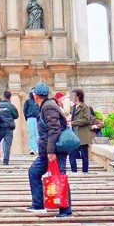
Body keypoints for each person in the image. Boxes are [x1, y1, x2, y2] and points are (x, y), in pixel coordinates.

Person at [26, 83, 72, 217]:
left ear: (35, 96)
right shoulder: (47, 105)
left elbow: (54, 129)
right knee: (34, 172)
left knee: (60, 176)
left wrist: (51, 151)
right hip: (47, 150)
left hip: (54, 151)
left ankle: (65, 210)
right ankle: (38, 204)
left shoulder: (48, 106)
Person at [68, 89, 94, 173]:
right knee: (72, 154)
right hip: (73, 133)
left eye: (73, 95)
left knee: (84, 155)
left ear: (78, 96)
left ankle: (85, 171)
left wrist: (73, 123)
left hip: (82, 134)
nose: (71, 97)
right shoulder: (72, 108)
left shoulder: (85, 107)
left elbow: (86, 120)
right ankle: (73, 171)